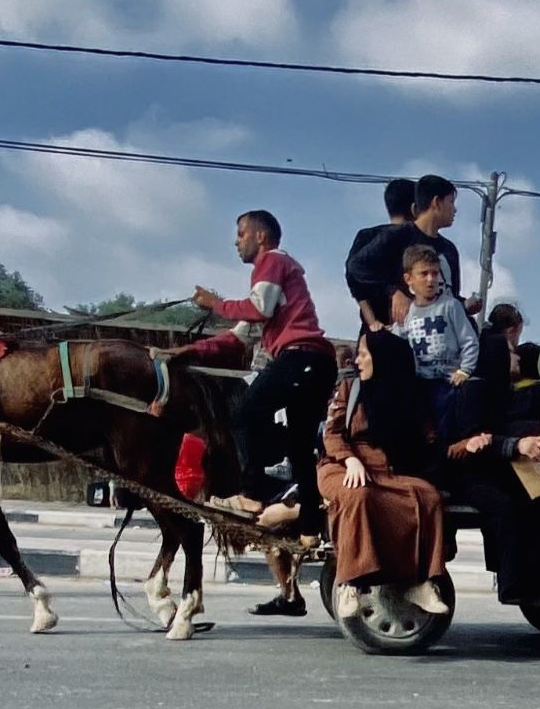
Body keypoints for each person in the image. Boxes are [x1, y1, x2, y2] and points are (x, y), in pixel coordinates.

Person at [179, 208, 336, 618]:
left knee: (246, 414)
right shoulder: (280, 279)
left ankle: (251, 492)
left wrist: (215, 303)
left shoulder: (272, 263)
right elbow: (236, 337)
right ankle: (307, 526)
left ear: (261, 236)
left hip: (301, 356)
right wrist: (185, 352)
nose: (236, 242)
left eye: (241, 234)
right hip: (313, 362)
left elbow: (257, 307)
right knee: (299, 446)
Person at [319, 329, 448, 619]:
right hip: (342, 463)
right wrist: (350, 459)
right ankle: (350, 583)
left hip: (388, 468)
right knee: (358, 495)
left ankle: (421, 582)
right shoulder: (349, 389)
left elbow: (428, 437)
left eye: (364, 355)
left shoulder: (409, 395)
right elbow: (332, 433)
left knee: (428, 497)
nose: (357, 361)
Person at [345, 174, 478, 330]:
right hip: (405, 332)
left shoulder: (449, 249)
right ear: (436, 202)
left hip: (443, 333)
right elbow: (356, 266)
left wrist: (465, 305)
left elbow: (449, 294)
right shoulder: (397, 236)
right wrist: (393, 292)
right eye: (451, 202)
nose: (454, 209)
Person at [397, 243, 479, 438]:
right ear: (409, 279)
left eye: (434, 273)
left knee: (445, 428)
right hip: (419, 381)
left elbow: (469, 340)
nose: (431, 279)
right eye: (424, 274)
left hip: (447, 381)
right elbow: (398, 342)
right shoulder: (407, 313)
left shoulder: (451, 306)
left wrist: (465, 370)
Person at [345, 178, 414, 330]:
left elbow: (354, 282)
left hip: (375, 327)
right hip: (413, 326)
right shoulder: (417, 240)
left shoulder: (367, 235)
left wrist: (372, 321)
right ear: (414, 207)